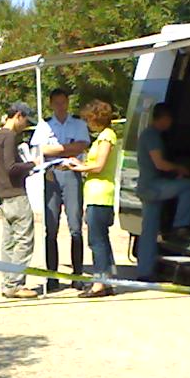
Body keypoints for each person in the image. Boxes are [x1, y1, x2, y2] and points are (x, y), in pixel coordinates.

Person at [30, 87, 89, 292]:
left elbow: (80, 146)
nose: (61, 106)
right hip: (52, 174)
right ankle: (52, 277)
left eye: (63, 102)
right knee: (51, 227)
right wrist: (66, 149)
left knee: (75, 226)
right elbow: (40, 149)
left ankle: (77, 275)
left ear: (67, 102)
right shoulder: (45, 125)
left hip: (71, 173)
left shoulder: (78, 124)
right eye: (57, 103)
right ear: (51, 104)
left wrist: (55, 150)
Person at [133, 102, 190, 281]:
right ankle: (181, 225)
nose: (171, 123)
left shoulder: (148, 134)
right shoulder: (152, 136)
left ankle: (144, 272)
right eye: (170, 119)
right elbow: (160, 163)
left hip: (147, 186)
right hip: (153, 186)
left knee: (149, 232)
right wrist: (180, 169)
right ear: (164, 118)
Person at [64, 99, 119, 297]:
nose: (87, 123)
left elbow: (99, 166)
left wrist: (80, 167)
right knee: (101, 238)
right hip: (96, 194)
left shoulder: (106, 137)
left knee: (96, 241)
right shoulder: (103, 137)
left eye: (89, 119)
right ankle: (108, 280)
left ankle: (100, 283)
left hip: (100, 195)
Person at [0, 101, 38, 299]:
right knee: (24, 240)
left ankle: (7, 283)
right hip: (16, 194)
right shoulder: (10, 137)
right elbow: (11, 167)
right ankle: (16, 284)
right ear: (18, 115)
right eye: (26, 121)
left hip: (3, 195)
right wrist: (32, 164)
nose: (26, 126)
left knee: (9, 241)